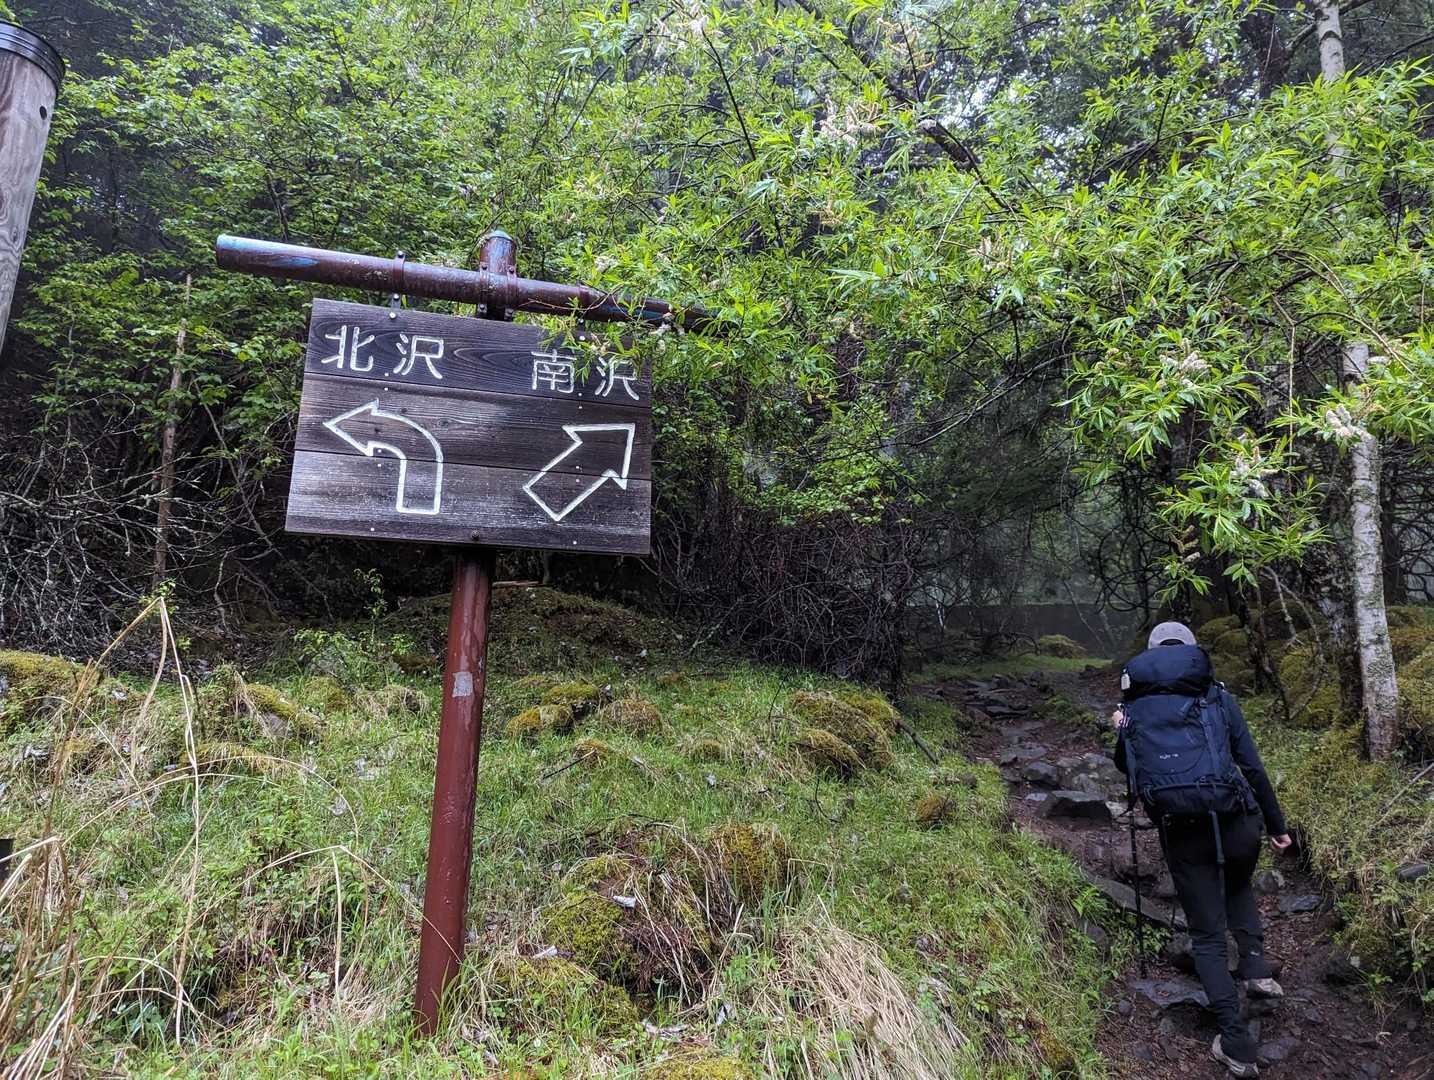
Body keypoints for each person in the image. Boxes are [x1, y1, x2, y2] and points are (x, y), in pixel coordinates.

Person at [1112, 620, 1293, 1079]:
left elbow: (1127, 768)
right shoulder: (1218, 697)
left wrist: (1121, 729)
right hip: (1236, 817)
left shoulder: (1135, 707)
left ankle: (1236, 1043)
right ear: (1193, 654)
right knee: (1239, 884)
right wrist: (1276, 825)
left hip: (1182, 827)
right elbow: (1251, 765)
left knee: (1208, 936)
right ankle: (1257, 971)